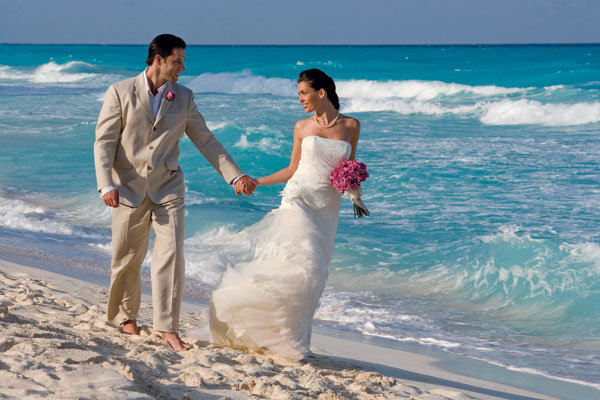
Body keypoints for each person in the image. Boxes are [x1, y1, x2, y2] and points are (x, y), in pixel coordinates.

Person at [94, 34, 256, 351]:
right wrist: (106, 183)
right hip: (127, 187)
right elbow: (104, 142)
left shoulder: (183, 96)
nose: (183, 66)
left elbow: (206, 140)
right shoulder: (120, 92)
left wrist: (235, 177)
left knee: (171, 257)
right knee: (127, 257)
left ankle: (167, 327)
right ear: (158, 60)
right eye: (177, 61)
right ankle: (127, 317)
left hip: (169, 186)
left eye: (182, 60)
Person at [210, 68, 360, 361]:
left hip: (327, 208)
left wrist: (354, 192)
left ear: (321, 93)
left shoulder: (352, 126)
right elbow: (292, 169)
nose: (300, 99)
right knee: (306, 262)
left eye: (304, 93)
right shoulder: (302, 127)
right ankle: (282, 338)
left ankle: (288, 336)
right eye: (299, 94)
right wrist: (256, 181)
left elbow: (347, 169)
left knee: (313, 275)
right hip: (298, 199)